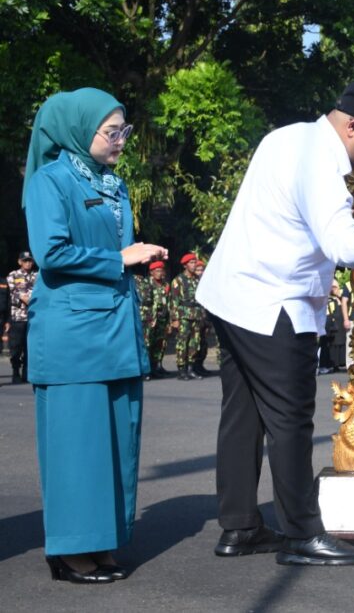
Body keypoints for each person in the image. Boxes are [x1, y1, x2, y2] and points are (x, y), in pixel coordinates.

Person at [195, 81, 354, 566]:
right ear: (353, 125)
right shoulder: (320, 165)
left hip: (232, 297)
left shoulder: (285, 137)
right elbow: (343, 246)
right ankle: (301, 534)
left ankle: (239, 528)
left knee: (242, 418)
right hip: (273, 305)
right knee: (290, 421)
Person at [22, 87, 167, 582]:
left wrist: (137, 258)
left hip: (114, 328)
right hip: (72, 336)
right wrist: (119, 259)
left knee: (115, 439)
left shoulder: (114, 185)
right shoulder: (50, 181)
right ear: (80, 131)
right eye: (112, 131)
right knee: (77, 446)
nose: (121, 140)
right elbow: (51, 254)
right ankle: (69, 551)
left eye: (124, 130)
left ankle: (102, 541)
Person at [170, 253, 205, 380]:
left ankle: (191, 368)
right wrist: (175, 319)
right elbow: (174, 301)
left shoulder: (197, 279)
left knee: (195, 343)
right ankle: (181, 370)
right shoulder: (178, 280)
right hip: (184, 315)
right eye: (191, 263)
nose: (194, 265)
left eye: (195, 262)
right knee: (182, 343)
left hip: (197, 315)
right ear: (185, 265)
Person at [6, 251, 36, 384]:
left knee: (29, 347)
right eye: (25, 260)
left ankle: (26, 372)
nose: (28, 263)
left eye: (30, 260)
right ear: (20, 262)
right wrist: (27, 299)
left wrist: (30, 299)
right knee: (16, 347)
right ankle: (15, 371)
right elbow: (13, 294)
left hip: (34, 318)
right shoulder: (13, 275)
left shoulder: (37, 276)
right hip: (18, 318)